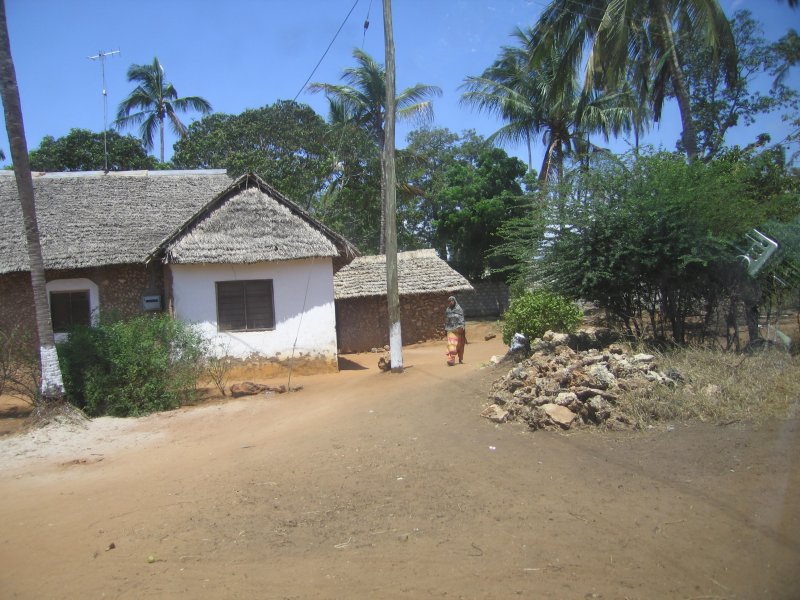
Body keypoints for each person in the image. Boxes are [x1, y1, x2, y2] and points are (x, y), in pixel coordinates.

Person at [444, 295, 466, 366]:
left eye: (452, 301)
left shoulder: (459, 309)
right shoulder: (448, 310)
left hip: (458, 330)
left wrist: (462, 326)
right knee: (451, 343)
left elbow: (461, 318)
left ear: (454, 301)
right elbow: (446, 320)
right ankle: (451, 359)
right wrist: (445, 328)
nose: (450, 302)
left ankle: (460, 359)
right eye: (449, 301)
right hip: (450, 330)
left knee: (460, 345)